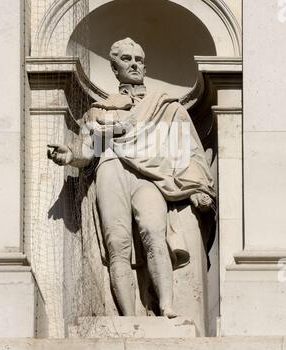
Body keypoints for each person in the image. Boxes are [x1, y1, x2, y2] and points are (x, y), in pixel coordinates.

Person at [48, 38, 215, 318]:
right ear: (114, 69)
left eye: (138, 59)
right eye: (126, 59)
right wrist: (69, 155)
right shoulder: (101, 109)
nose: (134, 64)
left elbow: (188, 151)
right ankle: (127, 317)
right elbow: (90, 151)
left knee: (153, 232)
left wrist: (198, 186)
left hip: (150, 176)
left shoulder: (165, 106)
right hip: (111, 167)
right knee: (118, 243)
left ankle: (166, 305)